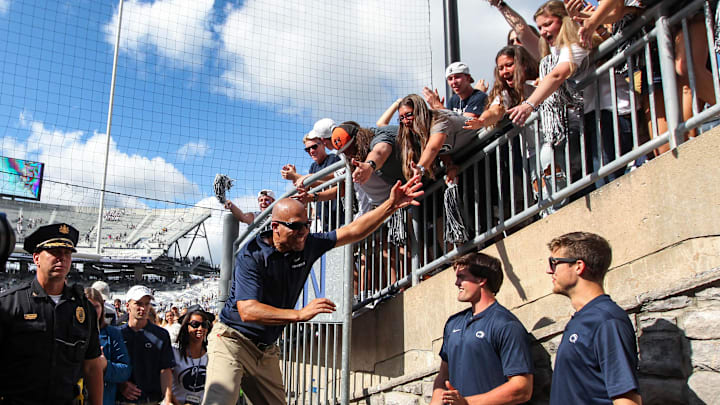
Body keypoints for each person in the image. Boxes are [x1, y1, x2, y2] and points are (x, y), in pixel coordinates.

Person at [202, 176, 423, 405]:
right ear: (275, 227)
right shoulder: (252, 255)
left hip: (266, 351)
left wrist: (390, 205)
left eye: (306, 225)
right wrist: (299, 314)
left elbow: (353, 230)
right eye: (296, 227)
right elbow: (248, 310)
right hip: (232, 341)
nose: (303, 232)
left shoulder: (308, 243)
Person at [0, 223, 103, 404]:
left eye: (67, 253)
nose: (62, 258)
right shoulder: (10, 304)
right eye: (54, 252)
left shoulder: (84, 309)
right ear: (36, 258)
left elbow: (92, 367)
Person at [546, 232, 641, 404]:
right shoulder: (583, 319)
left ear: (578, 266)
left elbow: (626, 399)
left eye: (554, 263)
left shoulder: (606, 320)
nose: (549, 270)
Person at [430, 251, 533, 404]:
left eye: (462, 277)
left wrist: (467, 402)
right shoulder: (453, 323)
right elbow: (443, 376)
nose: (456, 283)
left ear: (481, 280)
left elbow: (522, 388)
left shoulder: (506, 324)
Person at [397, 94, 479, 183]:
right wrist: (449, 165)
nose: (405, 121)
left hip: (484, 145)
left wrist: (420, 167)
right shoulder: (422, 132)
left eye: (408, 115)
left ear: (420, 111)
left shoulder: (439, 120)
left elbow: (433, 148)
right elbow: (442, 148)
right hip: (470, 156)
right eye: (402, 118)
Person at [119, 285, 175, 405]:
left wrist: (167, 399)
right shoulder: (117, 334)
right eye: (138, 303)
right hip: (122, 400)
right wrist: (121, 385)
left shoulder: (161, 335)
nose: (143, 308)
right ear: (127, 306)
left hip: (152, 400)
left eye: (147, 303)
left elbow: (165, 369)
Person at [86, 287, 132, 405]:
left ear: (102, 307)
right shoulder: (70, 333)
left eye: (96, 307)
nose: (92, 311)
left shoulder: (112, 333)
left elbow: (125, 370)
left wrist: (106, 366)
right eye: (88, 306)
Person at [172, 305, 214, 405]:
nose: (200, 328)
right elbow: (165, 383)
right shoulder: (174, 351)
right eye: (195, 324)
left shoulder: (212, 354)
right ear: (186, 327)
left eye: (204, 325)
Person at [423, 62, 488, 118]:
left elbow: (466, 124)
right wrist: (436, 110)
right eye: (450, 79)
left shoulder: (479, 97)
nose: (453, 82)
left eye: (457, 77)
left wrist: (439, 107)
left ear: (468, 78)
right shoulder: (454, 100)